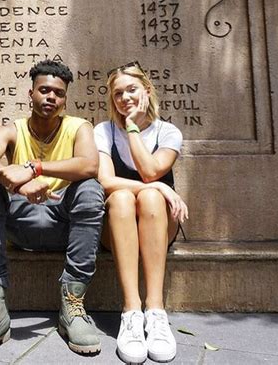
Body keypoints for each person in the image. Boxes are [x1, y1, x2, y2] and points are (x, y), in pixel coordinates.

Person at [0, 59, 105, 363]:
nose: (51, 97)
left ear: (65, 99)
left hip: (62, 226)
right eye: (44, 90)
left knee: (91, 188)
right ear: (31, 93)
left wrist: (33, 168)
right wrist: (16, 184)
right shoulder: (12, 129)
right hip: (21, 224)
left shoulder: (79, 127)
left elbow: (90, 165)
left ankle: (72, 303)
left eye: (58, 93)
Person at [94, 61, 188, 364]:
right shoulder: (103, 131)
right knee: (121, 198)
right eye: (118, 94)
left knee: (148, 197)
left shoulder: (168, 132)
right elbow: (105, 181)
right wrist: (163, 188)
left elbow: (150, 172)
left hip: (158, 225)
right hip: (115, 229)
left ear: (146, 91)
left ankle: (156, 312)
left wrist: (133, 126)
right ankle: (131, 313)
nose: (124, 98)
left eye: (131, 89)